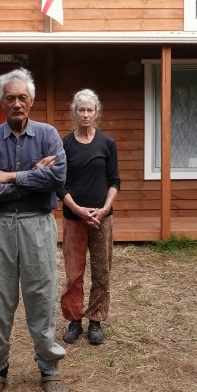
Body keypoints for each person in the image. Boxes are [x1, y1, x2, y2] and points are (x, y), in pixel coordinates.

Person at [0, 67, 68, 392]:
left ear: (32, 100)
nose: (17, 103)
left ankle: (49, 368)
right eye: (10, 97)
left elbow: (57, 180)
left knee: (41, 296)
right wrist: (31, 176)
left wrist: (11, 177)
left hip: (37, 224)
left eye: (22, 97)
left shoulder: (49, 135)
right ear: (1, 101)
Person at [58, 89, 120, 346]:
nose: (85, 114)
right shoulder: (65, 144)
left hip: (102, 219)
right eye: (81, 110)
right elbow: (60, 185)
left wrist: (104, 208)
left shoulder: (107, 143)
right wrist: (78, 209)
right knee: (74, 273)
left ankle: (95, 320)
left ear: (97, 113)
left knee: (101, 271)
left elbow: (114, 181)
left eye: (90, 110)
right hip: (74, 217)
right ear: (74, 112)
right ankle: (75, 320)